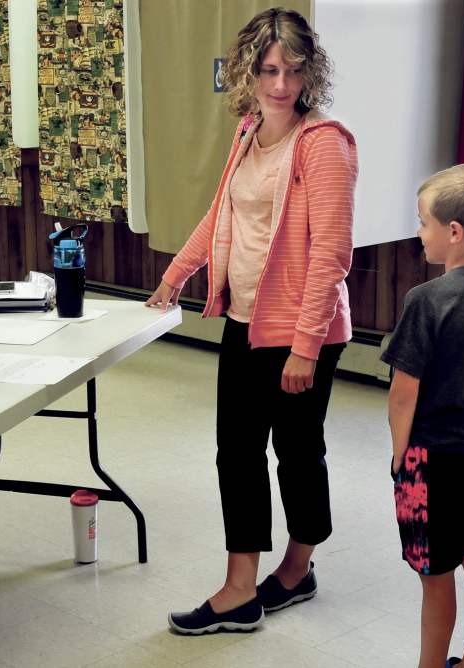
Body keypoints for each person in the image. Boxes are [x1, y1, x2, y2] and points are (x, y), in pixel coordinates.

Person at [147, 8, 358, 635]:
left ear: (309, 72)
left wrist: (305, 348)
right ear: (247, 72)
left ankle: (297, 568)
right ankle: (241, 587)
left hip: (302, 332)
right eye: (268, 70)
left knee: (297, 452)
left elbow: (331, 255)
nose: (279, 85)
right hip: (244, 320)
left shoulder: (324, 145)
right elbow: (221, 216)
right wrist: (175, 274)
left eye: (292, 71)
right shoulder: (247, 132)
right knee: (236, 452)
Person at [383, 164, 464, 668]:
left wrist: (401, 459)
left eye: (422, 222)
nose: (419, 233)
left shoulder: (426, 299)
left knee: (435, 573)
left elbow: (402, 394)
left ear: (453, 232)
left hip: (432, 455)